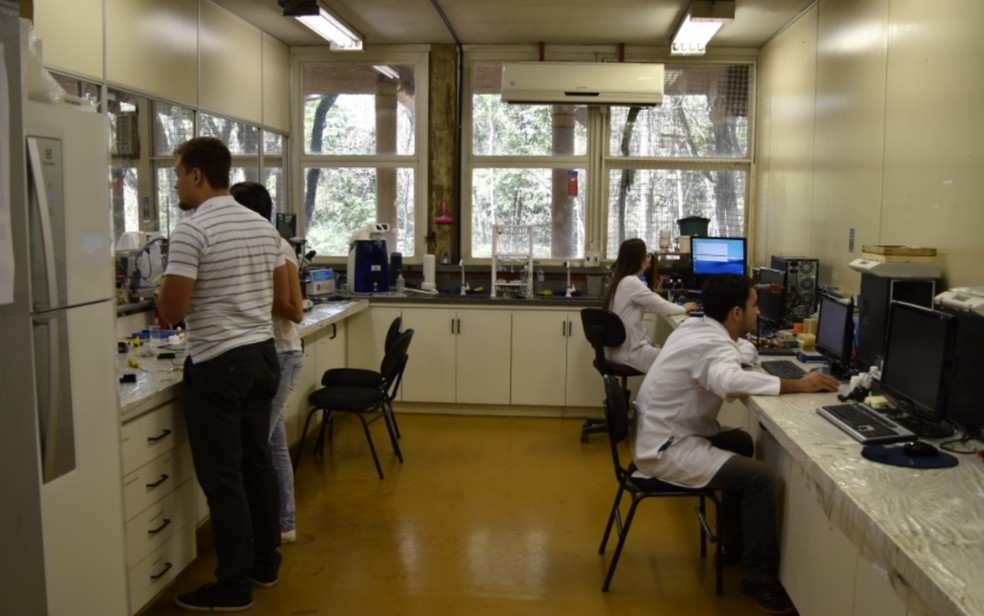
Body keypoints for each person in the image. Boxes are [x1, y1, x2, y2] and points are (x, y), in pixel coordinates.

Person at [632, 273, 839, 615]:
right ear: (736, 313)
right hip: (667, 448)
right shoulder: (712, 344)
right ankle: (757, 581)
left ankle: (730, 543)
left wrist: (743, 349)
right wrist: (799, 385)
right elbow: (728, 379)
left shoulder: (695, 327)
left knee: (741, 441)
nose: (759, 311)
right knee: (762, 479)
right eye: (754, 304)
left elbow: (735, 350)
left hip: (662, 431)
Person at [158, 137, 290, 612]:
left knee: (223, 480)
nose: (175, 182)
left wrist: (167, 294)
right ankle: (265, 565)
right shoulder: (263, 227)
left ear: (196, 175)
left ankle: (232, 587)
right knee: (256, 464)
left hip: (219, 363)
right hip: (262, 358)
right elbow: (279, 296)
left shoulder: (192, 230)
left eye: (177, 173)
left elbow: (172, 311)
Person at [230, 181, 304, 545]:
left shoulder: (279, 246)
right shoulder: (249, 248)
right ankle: (283, 522)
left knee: (256, 445)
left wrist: (251, 296)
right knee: (273, 443)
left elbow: (295, 310)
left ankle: (265, 530)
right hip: (261, 355)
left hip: (282, 353)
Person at [602, 238, 699, 372]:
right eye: (646, 256)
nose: (648, 260)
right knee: (679, 360)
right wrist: (683, 308)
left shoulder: (618, 281)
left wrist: (647, 340)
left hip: (613, 352)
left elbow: (629, 323)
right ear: (640, 261)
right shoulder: (631, 282)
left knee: (663, 351)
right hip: (627, 354)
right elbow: (661, 306)